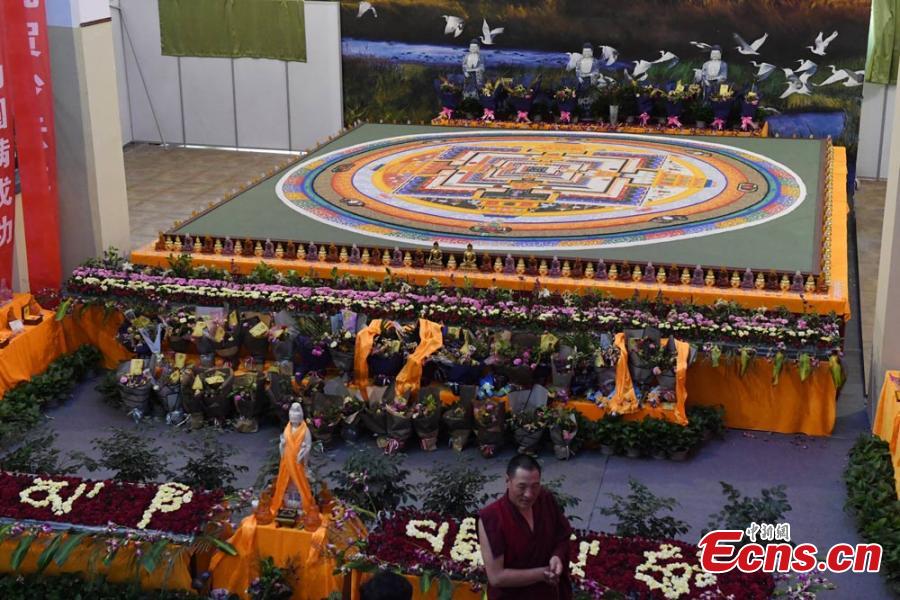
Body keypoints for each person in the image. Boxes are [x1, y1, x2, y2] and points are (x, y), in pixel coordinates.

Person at [478, 454, 573, 600]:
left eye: (535, 486)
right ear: (507, 481)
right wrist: (543, 574)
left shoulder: (545, 499)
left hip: (548, 594)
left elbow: (562, 536)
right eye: (522, 487)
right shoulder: (492, 518)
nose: (529, 494)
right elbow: (496, 577)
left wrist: (557, 556)